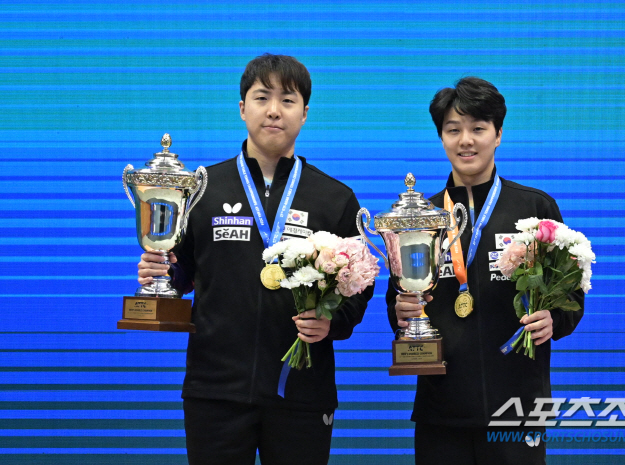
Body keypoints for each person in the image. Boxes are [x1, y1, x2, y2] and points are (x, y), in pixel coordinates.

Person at [138, 53, 373, 465]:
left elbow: (361, 280)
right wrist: (162, 273)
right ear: (243, 107)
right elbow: (184, 271)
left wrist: (334, 321)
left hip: (302, 390)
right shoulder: (200, 188)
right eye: (262, 97)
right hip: (216, 390)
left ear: (305, 113)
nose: (274, 110)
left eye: (288, 100)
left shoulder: (334, 197)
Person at [387, 77, 584, 465]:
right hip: (442, 408)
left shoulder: (535, 207)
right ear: (441, 137)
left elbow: (572, 294)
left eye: (478, 128)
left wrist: (555, 319)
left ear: (498, 134)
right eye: (453, 129)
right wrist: (399, 312)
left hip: (518, 407)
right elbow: (399, 298)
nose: (466, 141)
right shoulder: (419, 217)